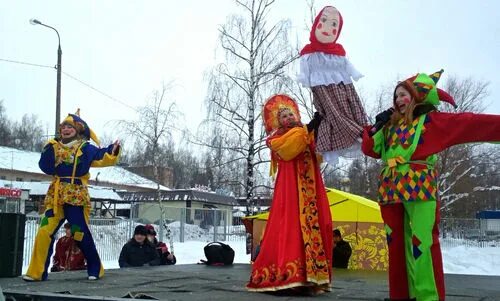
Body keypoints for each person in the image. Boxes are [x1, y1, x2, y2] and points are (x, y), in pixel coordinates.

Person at [362, 69, 500, 301]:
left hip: (419, 185)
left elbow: (470, 123)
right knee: (395, 244)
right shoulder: (389, 127)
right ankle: (402, 295)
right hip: (390, 188)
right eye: (396, 96)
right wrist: (376, 126)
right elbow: (370, 150)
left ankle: (427, 297)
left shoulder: (431, 122)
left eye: (404, 94)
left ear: (416, 97)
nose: (398, 100)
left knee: (421, 242)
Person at [247, 94, 333, 295]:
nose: (288, 117)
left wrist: (318, 127)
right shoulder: (276, 139)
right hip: (291, 190)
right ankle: (291, 275)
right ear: (278, 122)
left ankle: (312, 278)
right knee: (291, 226)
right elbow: (290, 149)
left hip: (311, 188)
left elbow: (319, 153)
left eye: (290, 113)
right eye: (283, 116)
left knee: (317, 224)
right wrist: (309, 129)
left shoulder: (305, 132)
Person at [23, 109, 120, 281]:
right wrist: (48, 148)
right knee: (44, 230)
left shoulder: (85, 148)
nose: (65, 130)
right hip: (55, 197)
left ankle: (95, 269)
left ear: (77, 130)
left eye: (70, 127)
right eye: (63, 127)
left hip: (75, 196)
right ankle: (36, 272)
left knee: (78, 232)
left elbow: (100, 156)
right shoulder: (54, 146)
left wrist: (112, 150)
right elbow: (45, 167)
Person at [297, 5, 368, 165]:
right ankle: (357, 133)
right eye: (324, 21)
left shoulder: (339, 54)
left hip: (345, 87)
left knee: (352, 105)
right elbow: (306, 76)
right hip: (324, 93)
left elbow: (351, 78)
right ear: (316, 24)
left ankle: (363, 129)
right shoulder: (310, 54)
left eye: (334, 24)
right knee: (333, 113)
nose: (328, 28)